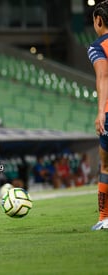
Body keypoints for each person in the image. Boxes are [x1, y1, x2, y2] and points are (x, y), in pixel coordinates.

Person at [88, 0, 108, 230]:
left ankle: (104, 218)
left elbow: (103, 78)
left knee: (106, 165)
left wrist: (100, 112)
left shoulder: (98, 46)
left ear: (98, 20)